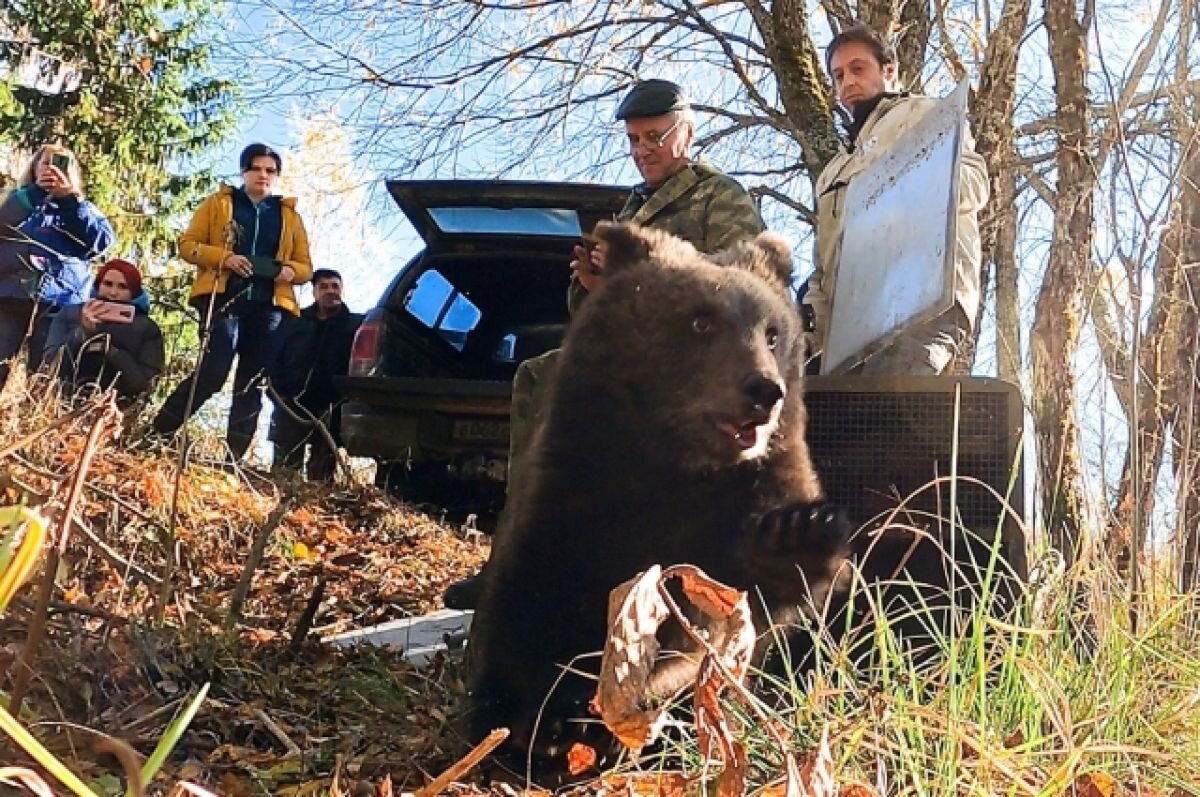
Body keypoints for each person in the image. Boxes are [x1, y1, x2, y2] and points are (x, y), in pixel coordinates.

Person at [444, 79, 765, 609]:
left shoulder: (718, 195)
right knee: (540, 373)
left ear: (685, 132)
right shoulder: (632, 208)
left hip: (699, 366)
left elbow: (740, 284)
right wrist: (595, 285)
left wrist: (647, 272)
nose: (642, 151)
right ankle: (515, 559)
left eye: (654, 138)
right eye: (634, 141)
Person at [802, 23, 988, 375]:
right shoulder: (834, 170)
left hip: (921, 305)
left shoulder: (923, 114)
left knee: (892, 405)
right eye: (838, 76)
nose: (848, 83)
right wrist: (810, 334)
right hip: (851, 333)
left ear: (889, 71)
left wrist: (910, 191)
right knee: (825, 419)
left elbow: (974, 185)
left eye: (858, 69)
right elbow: (825, 267)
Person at [151, 143, 313, 460]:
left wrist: (289, 271)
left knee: (251, 383)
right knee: (212, 371)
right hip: (223, 298)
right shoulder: (218, 204)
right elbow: (188, 246)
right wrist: (225, 259)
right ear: (244, 171)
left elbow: (306, 267)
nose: (263, 175)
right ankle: (159, 433)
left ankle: (233, 460)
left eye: (270, 170)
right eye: (257, 168)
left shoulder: (289, 216)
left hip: (270, 308)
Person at [0, 144, 116, 394]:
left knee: (47, 376)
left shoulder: (82, 209)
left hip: (59, 303)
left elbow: (101, 242)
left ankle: (36, 429)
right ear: (34, 168)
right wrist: (34, 195)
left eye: (60, 163)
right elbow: (3, 222)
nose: (52, 168)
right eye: (46, 162)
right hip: (9, 296)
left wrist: (69, 201)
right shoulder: (18, 200)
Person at [269, 268, 362, 481]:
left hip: (332, 406)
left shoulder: (356, 326)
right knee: (283, 473)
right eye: (324, 287)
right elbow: (275, 358)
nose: (330, 291)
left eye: (335, 286)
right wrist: (278, 393)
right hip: (291, 403)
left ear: (342, 290)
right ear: (314, 292)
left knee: (321, 479)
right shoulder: (295, 322)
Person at [42, 258, 164, 403]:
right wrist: (83, 333)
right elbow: (51, 366)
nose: (113, 292)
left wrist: (114, 353)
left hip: (116, 409)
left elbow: (145, 386)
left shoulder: (146, 328)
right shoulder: (69, 314)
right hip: (65, 401)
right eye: (107, 284)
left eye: (123, 287)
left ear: (134, 293)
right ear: (98, 285)